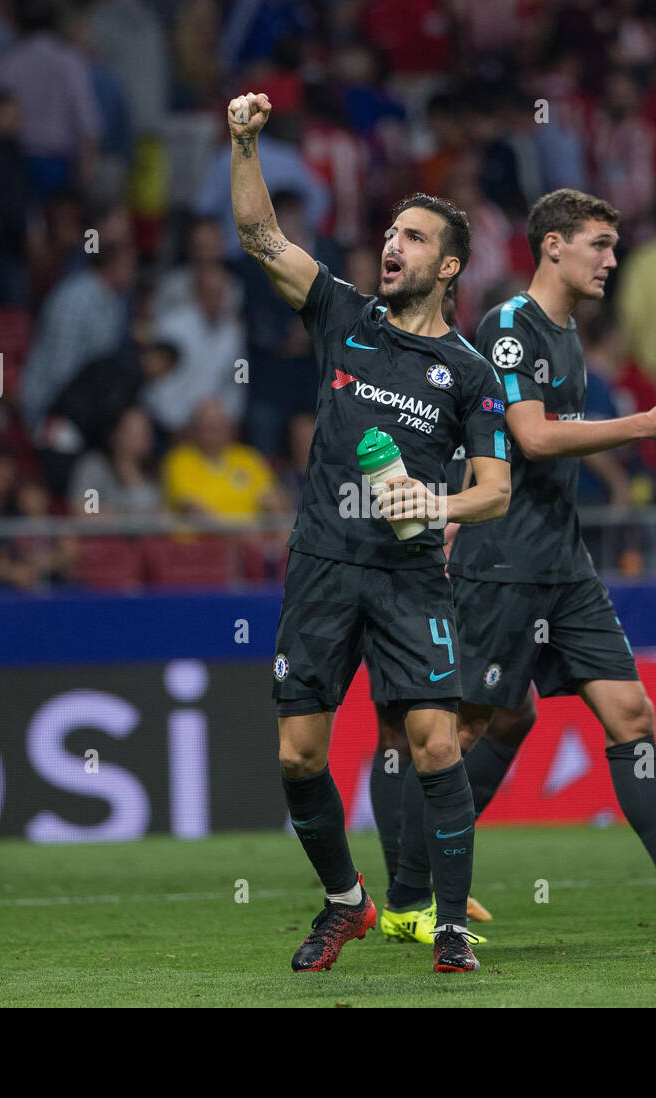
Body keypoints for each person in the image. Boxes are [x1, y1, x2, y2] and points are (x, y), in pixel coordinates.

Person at [376, 189, 656, 945]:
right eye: (598, 245)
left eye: (613, 245)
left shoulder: (568, 338)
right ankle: (411, 896)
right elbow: (530, 438)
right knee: (462, 729)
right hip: (500, 567)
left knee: (631, 714)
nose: (611, 260)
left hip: (563, 566)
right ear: (554, 247)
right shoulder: (510, 327)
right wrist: (645, 426)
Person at [229, 90, 511, 974]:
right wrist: (244, 146)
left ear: (452, 266)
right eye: (390, 232)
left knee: (434, 742)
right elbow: (261, 239)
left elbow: (495, 492)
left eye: (415, 237)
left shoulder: (469, 374)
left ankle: (450, 928)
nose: (393, 244)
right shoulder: (344, 316)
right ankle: (347, 902)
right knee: (298, 753)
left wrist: (434, 507)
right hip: (321, 564)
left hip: (407, 575)